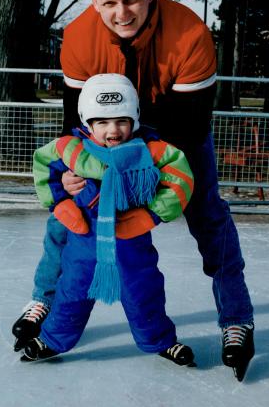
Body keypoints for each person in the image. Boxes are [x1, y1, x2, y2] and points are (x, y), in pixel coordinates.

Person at [12, 0, 254, 380]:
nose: (121, 12)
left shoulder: (190, 34)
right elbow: (76, 124)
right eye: (108, 3)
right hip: (107, 127)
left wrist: (145, 197)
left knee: (209, 216)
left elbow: (189, 131)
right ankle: (44, 298)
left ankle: (236, 319)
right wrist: (74, 173)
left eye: (131, 0)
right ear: (93, 3)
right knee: (65, 217)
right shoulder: (79, 37)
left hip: (174, 127)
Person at [20, 73, 195, 365]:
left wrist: (150, 214)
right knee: (71, 293)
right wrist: (64, 201)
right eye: (101, 122)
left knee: (144, 295)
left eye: (121, 121)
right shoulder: (71, 149)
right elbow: (43, 168)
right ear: (88, 123)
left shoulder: (151, 151)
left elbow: (180, 179)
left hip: (131, 246)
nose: (112, 131)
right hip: (84, 243)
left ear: (135, 120)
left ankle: (161, 341)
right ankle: (52, 340)